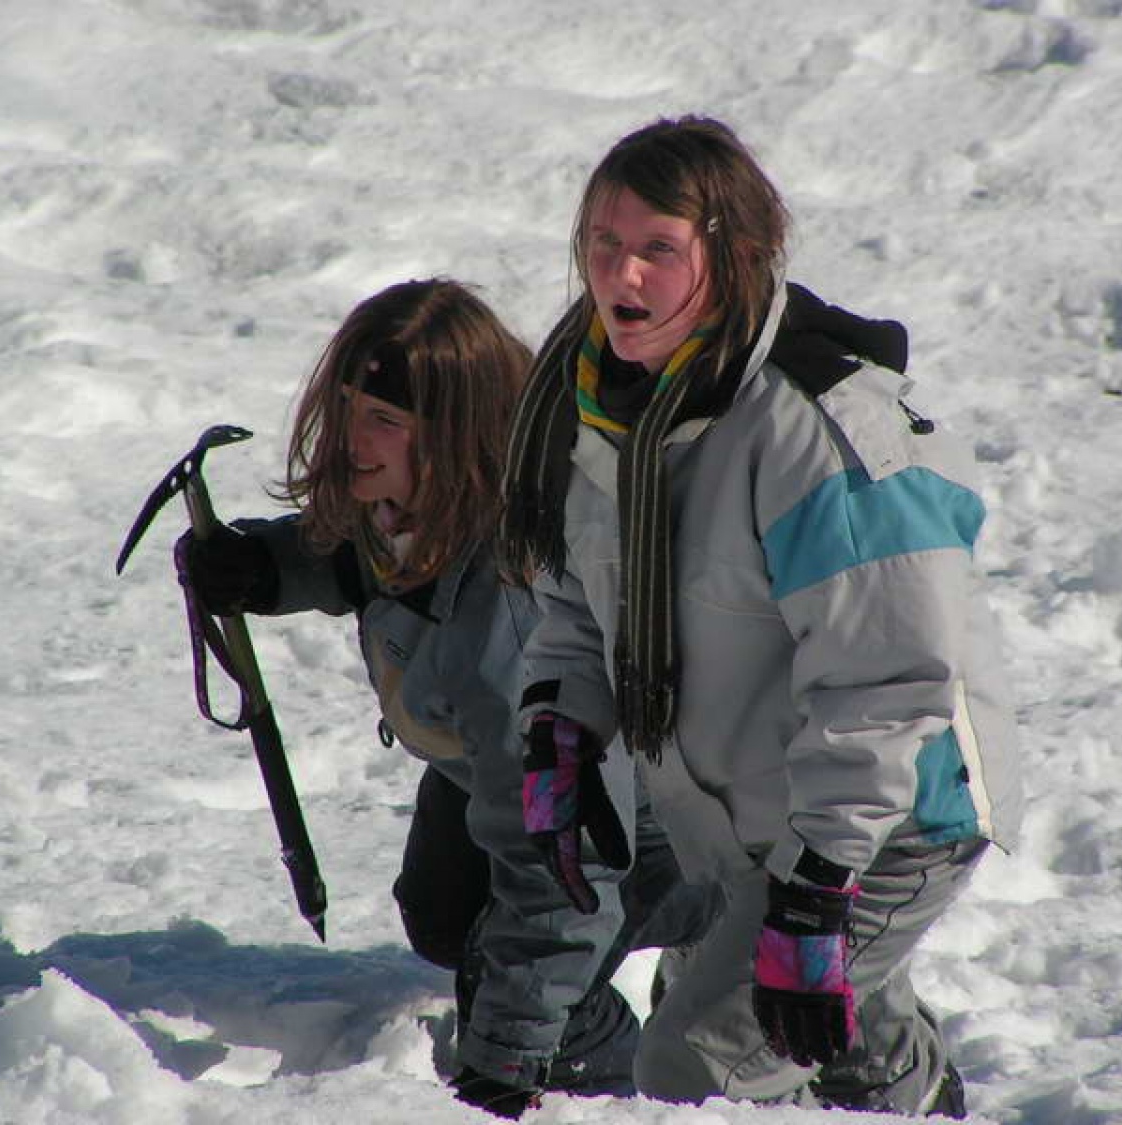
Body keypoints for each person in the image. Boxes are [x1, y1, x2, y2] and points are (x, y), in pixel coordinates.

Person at [498, 117, 1025, 1118]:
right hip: (754, 810)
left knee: (693, 1068)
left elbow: (890, 681)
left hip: (887, 816)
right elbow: (579, 596)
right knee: (822, 1037)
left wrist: (816, 894)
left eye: (659, 247)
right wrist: (560, 729)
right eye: (605, 245)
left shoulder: (816, 429)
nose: (625, 274)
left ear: (735, 260)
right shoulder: (608, 403)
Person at [179, 278, 715, 1118]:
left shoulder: (517, 612)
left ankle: (639, 1083)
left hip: (669, 827)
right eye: (348, 406)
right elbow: (366, 557)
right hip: (509, 776)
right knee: (444, 916)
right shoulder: (425, 501)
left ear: (457, 437)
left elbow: (564, 868)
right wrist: (268, 567)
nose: (352, 438)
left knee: (541, 991)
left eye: (383, 421)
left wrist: (508, 1056)